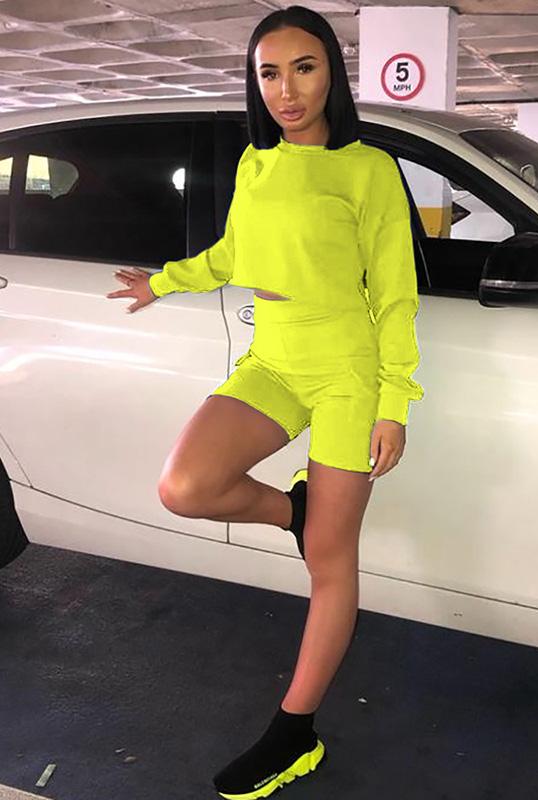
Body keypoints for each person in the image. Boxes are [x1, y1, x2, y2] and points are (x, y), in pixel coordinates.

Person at [106, 5, 425, 797]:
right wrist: (163, 282)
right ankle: (296, 510)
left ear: (331, 73)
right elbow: (231, 255)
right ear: (256, 82)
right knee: (186, 486)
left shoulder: (369, 169)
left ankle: (294, 734)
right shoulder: (257, 161)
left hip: (346, 370)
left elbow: (395, 296)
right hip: (273, 360)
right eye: (270, 73)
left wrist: (394, 402)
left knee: (331, 564)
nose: (287, 90)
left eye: (303, 68)